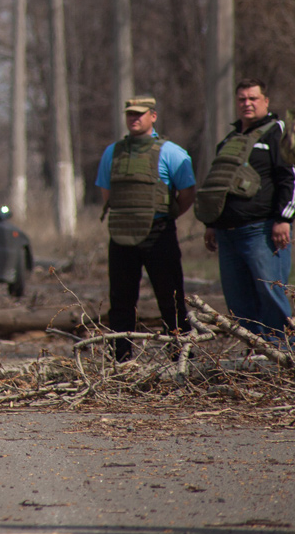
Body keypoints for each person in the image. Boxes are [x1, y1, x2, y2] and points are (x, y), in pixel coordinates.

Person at [95, 96, 196, 362]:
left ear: (153, 116)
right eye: (130, 114)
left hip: (159, 234)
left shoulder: (171, 152)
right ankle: (121, 362)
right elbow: (107, 193)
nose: (134, 118)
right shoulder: (112, 152)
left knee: (171, 300)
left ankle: (182, 361)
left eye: (139, 114)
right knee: (121, 302)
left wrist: (167, 215)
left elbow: (187, 193)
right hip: (121, 235)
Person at [197, 78, 295, 341]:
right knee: (238, 302)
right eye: (242, 99)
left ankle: (282, 354)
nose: (247, 103)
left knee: (270, 296)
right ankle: (253, 357)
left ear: (266, 101)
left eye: (253, 98)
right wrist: (211, 223)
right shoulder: (230, 139)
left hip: (262, 232)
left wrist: (284, 219)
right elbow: (219, 184)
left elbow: (290, 178)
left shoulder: (279, 132)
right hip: (227, 235)